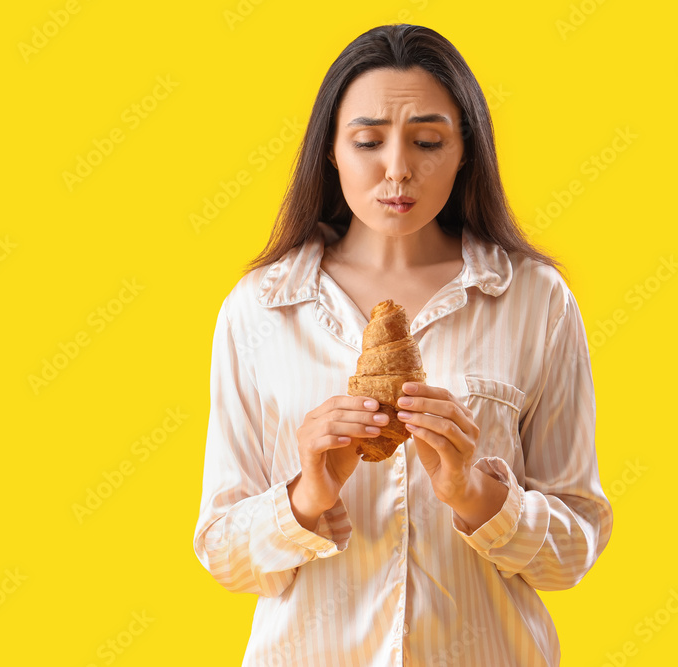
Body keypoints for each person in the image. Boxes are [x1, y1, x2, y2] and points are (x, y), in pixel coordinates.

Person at [191, 23, 612, 666]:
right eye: (367, 140)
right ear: (330, 150)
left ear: (466, 149)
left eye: (427, 141)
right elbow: (223, 551)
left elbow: (574, 547)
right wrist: (308, 496)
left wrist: (475, 494)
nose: (397, 169)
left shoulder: (535, 299)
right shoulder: (261, 308)